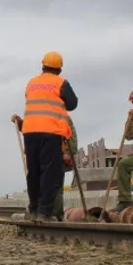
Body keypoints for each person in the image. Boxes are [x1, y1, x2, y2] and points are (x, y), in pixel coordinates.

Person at [11, 51, 78, 222]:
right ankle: (44, 213)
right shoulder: (61, 83)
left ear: (43, 66)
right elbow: (72, 104)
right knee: (51, 173)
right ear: (59, 69)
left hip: (30, 131)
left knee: (34, 172)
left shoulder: (31, 83)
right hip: (51, 133)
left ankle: (33, 209)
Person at [14, 114, 78, 221]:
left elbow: (71, 134)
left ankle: (55, 213)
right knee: (38, 184)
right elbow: (30, 128)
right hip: (40, 156)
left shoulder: (62, 115)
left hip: (57, 155)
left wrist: (68, 152)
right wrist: (20, 123)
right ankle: (38, 211)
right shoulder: (38, 116)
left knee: (54, 186)